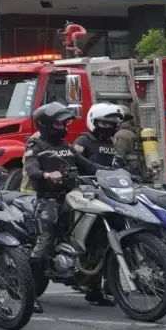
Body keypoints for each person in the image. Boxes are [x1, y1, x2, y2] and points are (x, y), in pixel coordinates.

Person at [24, 102, 116, 309]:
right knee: (45, 241)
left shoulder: (66, 147)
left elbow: (89, 165)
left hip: (74, 195)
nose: (65, 127)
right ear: (46, 125)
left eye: (65, 123)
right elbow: (31, 169)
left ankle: (94, 290)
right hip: (49, 199)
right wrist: (47, 174)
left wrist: (113, 173)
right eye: (60, 124)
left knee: (97, 234)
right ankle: (29, 296)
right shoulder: (35, 147)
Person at [113, 112, 146, 182]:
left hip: (129, 173)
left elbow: (118, 157)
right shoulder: (139, 132)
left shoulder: (121, 134)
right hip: (142, 171)